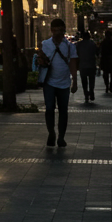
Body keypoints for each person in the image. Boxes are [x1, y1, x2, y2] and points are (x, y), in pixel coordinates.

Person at [37, 17, 77, 148]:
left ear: (64, 31)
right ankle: (51, 133)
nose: (58, 33)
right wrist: (41, 60)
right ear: (51, 30)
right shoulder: (45, 44)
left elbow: (73, 65)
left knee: (63, 111)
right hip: (49, 82)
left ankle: (61, 137)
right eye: (55, 30)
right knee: (49, 109)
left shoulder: (70, 47)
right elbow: (40, 61)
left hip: (64, 83)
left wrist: (75, 82)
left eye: (60, 30)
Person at [76, 31, 97, 104]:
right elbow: (96, 53)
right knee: (92, 80)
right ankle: (91, 91)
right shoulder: (92, 44)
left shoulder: (78, 44)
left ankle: (86, 94)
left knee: (84, 81)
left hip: (82, 65)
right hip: (91, 64)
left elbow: (76, 54)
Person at [99, 29, 112, 94]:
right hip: (111, 60)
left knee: (106, 74)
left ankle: (107, 86)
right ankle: (110, 87)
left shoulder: (103, 43)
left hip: (105, 60)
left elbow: (100, 52)